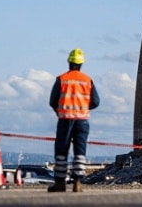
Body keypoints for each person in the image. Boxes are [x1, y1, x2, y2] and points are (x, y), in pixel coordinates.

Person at [48, 48, 100, 193]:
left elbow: (53, 101)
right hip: (82, 121)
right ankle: (77, 183)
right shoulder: (88, 80)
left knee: (61, 151)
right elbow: (95, 101)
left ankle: (60, 183)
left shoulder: (62, 79)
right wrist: (83, 107)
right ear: (81, 63)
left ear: (69, 62)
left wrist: (60, 111)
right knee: (80, 152)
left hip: (65, 120)